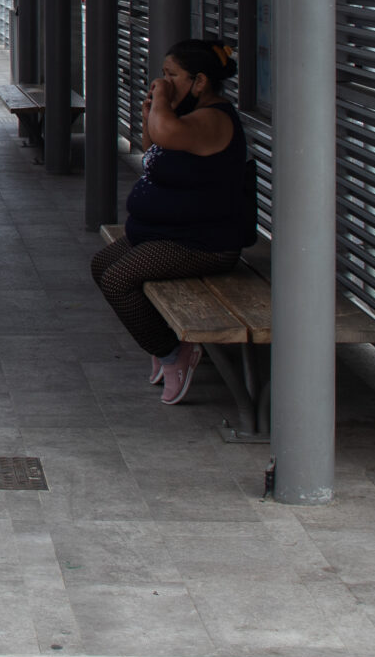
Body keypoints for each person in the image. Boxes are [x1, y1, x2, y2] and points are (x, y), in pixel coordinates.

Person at [88, 38, 255, 405]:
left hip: (202, 243)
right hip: (167, 233)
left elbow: (164, 134)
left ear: (200, 81)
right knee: (102, 264)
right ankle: (163, 341)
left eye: (172, 76)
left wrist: (161, 101)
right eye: (163, 75)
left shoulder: (213, 118)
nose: (162, 82)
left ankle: (173, 353)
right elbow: (153, 145)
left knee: (119, 281)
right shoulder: (187, 113)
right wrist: (155, 108)